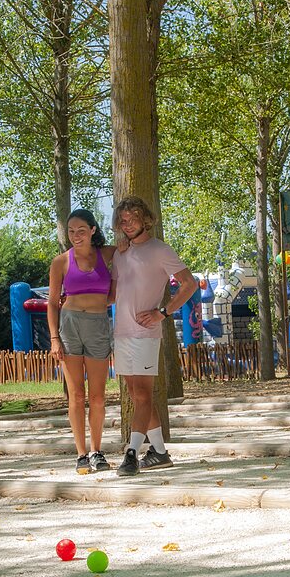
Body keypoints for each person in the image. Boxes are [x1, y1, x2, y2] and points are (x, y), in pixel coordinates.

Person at [111, 196, 197, 477]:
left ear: (145, 219)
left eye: (132, 218)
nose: (127, 224)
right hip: (121, 332)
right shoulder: (119, 253)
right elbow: (112, 293)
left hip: (146, 333)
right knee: (137, 396)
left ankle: (131, 453)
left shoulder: (160, 250)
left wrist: (163, 312)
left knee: (145, 394)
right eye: (122, 220)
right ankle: (159, 452)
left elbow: (189, 284)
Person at [48, 208, 117, 474]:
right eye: (71, 231)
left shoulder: (108, 254)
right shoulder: (61, 262)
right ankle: (80, 455)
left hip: (98, 324)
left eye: (81, 230)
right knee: (76, 394)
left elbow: (129, 249)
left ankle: (97, 450)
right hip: (70, 325)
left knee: (98, 396)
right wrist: (54, 338)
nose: (75, 236)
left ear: (93, 230)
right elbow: (52, 303)